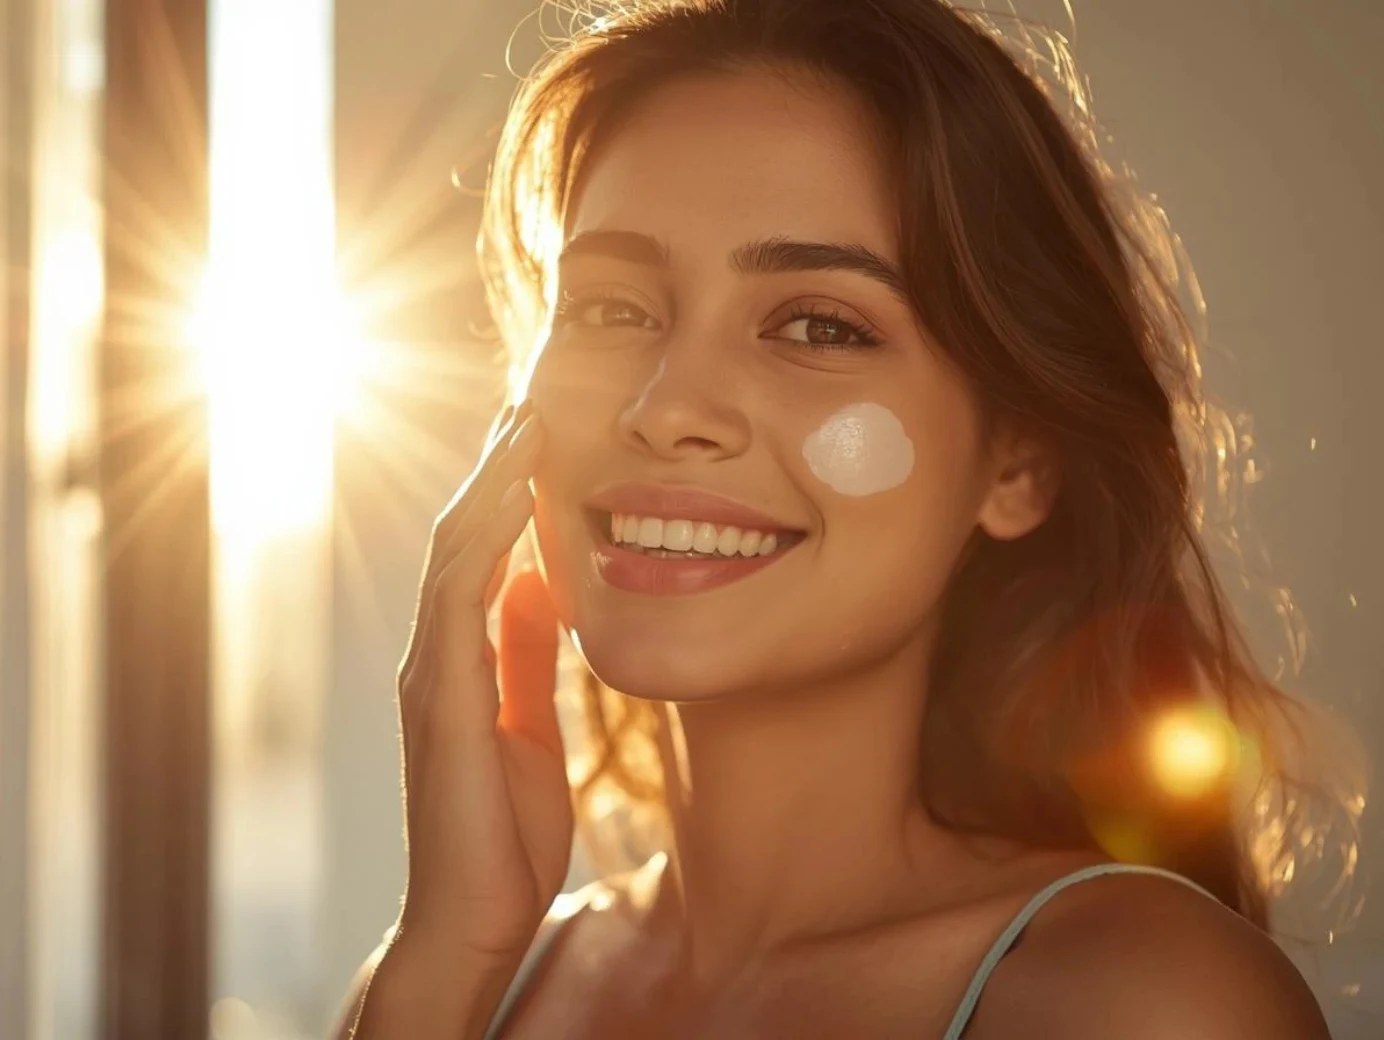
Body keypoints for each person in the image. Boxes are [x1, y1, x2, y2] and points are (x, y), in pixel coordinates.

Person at [337, 1, 1353, 1036]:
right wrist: (442, 967)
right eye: (610, 307)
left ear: (1019, 463)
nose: (664, 408)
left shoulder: (1141, 1003)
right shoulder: (450, 980)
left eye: (818, 324)